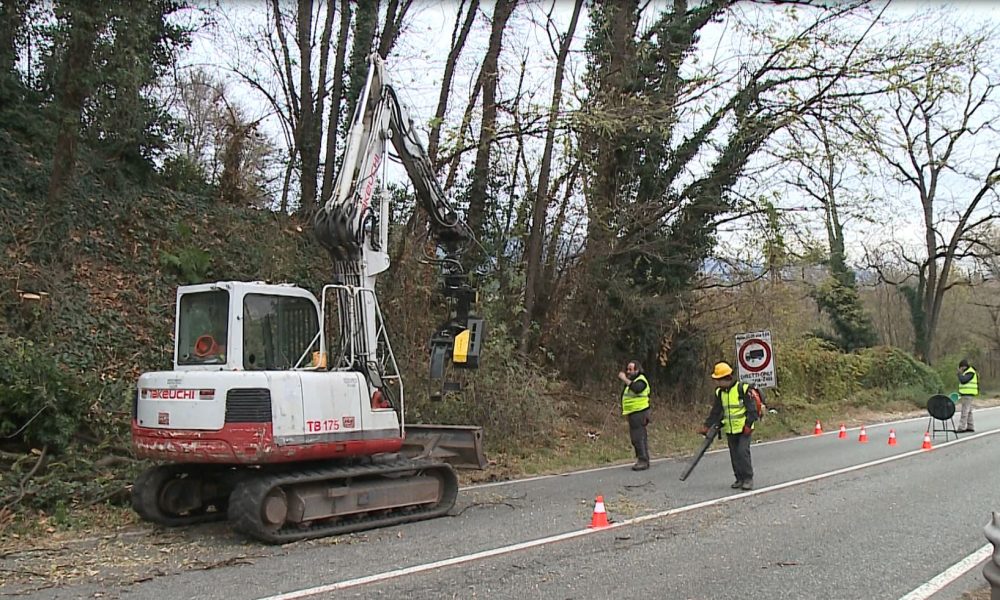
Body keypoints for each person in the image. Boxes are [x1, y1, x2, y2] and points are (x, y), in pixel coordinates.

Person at [699, 361, 758, 490]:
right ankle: (739, 479)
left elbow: (752, 410)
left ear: (726, 378)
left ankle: (748, 478)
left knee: (743, 453)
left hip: (744, 429)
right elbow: (716, 411)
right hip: (730, 429)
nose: (717, 383)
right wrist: (707, 425)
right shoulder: (720, 393)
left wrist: (748, 425)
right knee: (734, 455)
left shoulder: (742, 389)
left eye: (718, 380)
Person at [618, 360, 651, 471]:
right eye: (627, 369)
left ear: (637, 370)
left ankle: (643, 460)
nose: (628, 372)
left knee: (638, 437)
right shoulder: (632, 381)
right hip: (634, 412)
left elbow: (637, 389)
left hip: (640, 412)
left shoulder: (641, 380)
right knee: (637, 437)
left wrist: (624, 379)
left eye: (630, 369)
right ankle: (643, 459)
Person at [957, 359, 978, 433]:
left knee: (964, 411)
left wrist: (959, 374)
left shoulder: (970, 372)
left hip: (968, 394)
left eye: (960, 368)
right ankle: (970, 426)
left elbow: (963, 380)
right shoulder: (969, 372)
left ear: (963, 367)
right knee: (969, 411)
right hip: (968, 394)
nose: (960, 369)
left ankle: (961, 427)